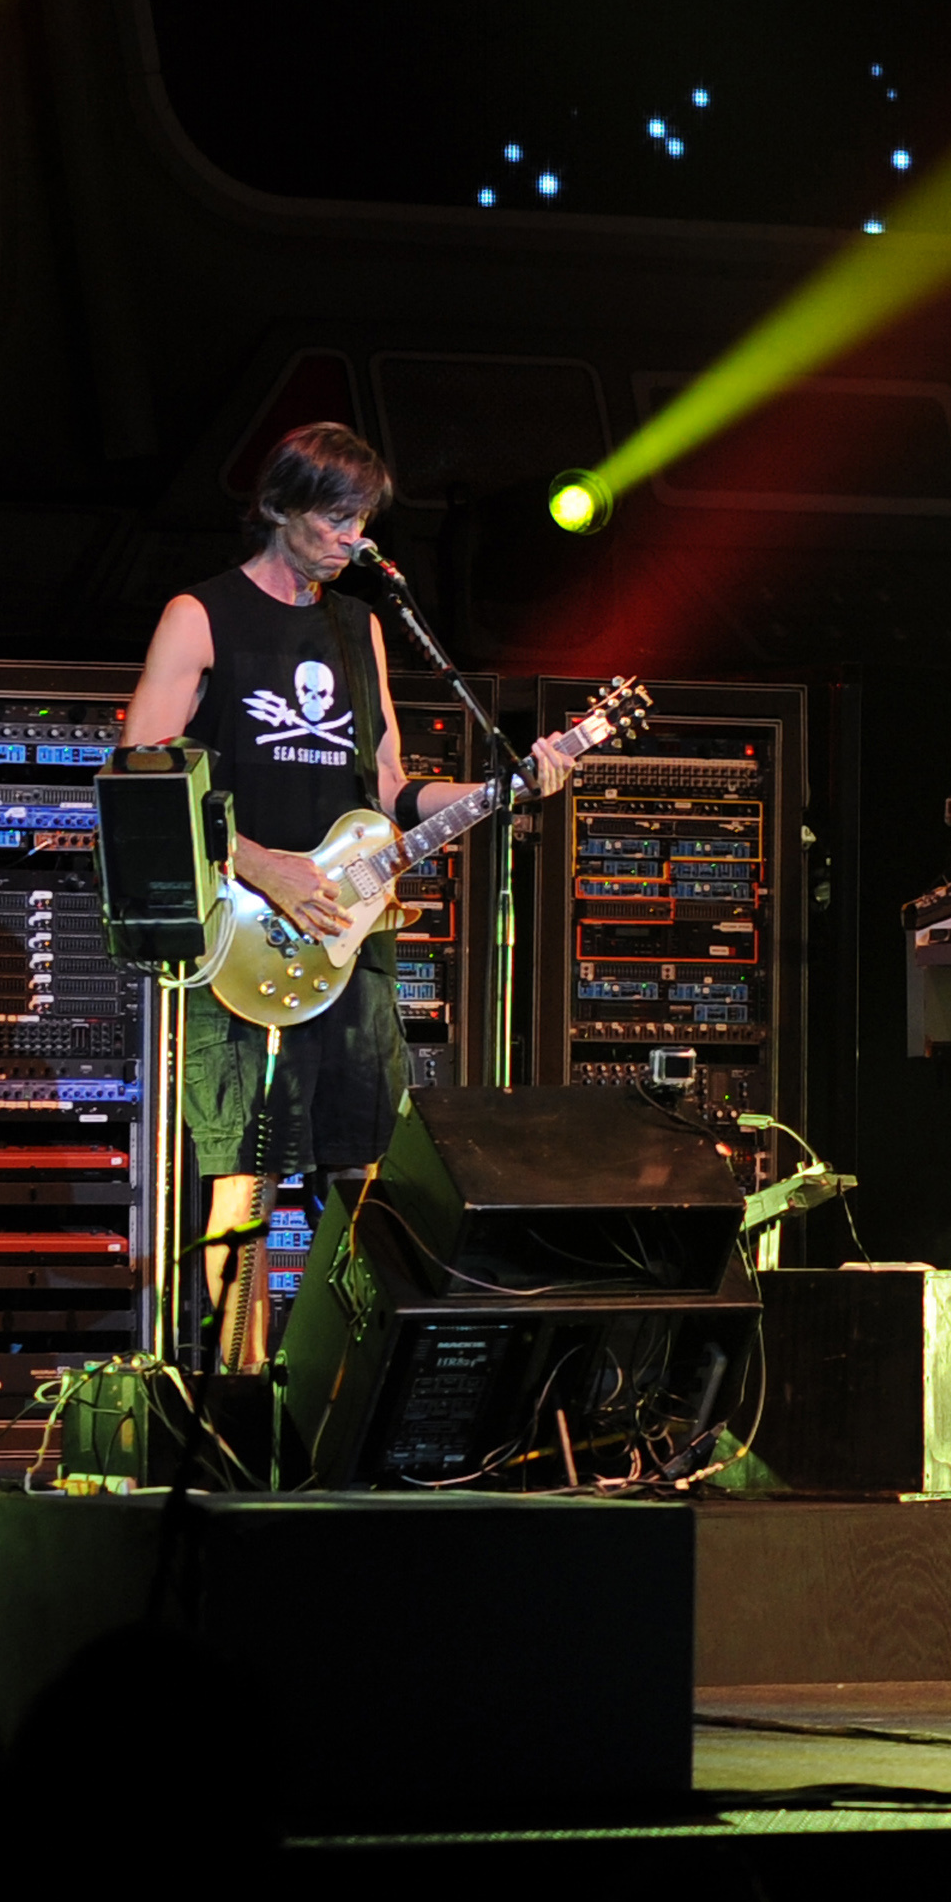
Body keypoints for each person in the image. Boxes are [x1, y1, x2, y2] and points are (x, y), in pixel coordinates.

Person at [120, 423, 577, 1343]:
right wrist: (260, 864)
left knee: (365, 1163)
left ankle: (345, 1372)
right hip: (240, 935)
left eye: (362, 518)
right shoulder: (200, 615)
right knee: (243, 1171)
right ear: (280, 507)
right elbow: (141, 772)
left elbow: (394, 789)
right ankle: (241, 1383)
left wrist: (509, 781)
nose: (352, 537)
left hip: (351, 938)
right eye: (334, 517)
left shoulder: (359, 624)